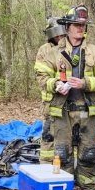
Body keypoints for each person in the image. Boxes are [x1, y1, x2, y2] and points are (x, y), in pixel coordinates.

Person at [33, 5, 95, 190]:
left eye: (83, 25)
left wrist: (85, 83)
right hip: (63, 110)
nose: (80, 28)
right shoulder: (52, 52)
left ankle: (87, 184)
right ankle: (65, 184)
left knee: (88, 151)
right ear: (67, 27)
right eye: (76, 25)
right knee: (62, 152)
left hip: (87, 109)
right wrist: (55, 84)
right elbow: (41, 77)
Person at [35, 17, 68, 163]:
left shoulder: (72, 47)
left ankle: (67, 167)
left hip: (71, 102)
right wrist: (56, 84)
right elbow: (41, 78)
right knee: (49, 137)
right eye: (56, 34)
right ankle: (46, 168)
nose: (59, 37)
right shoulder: (45, 51)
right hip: (51, 103)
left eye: (62, 33)